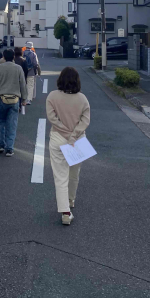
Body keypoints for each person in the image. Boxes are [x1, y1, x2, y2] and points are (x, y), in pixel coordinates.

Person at [46, 67, 90, 226]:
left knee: (60, 176)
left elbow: (52, 119)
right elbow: (85, 121)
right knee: (74, 174)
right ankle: (71, 200)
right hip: (77, 141)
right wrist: (73, 135)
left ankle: (65, 212)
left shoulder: (52, 96)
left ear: (60, 80)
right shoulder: (82, 98)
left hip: (58, 138)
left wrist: (65, 132)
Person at [0, 48, 27, 157]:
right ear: (13, 57)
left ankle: (1, 145)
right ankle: (9, 149)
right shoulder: (18, 68)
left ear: (3, 57)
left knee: (0, 122)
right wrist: (24, 99)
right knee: (12, 124)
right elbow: (23, 84)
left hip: (0, 97)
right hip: (14, 98)